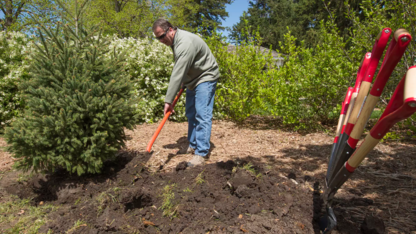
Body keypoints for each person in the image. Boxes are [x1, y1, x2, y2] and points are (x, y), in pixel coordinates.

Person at [152, 19, 220, 167]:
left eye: (161, 36)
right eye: (157, 38)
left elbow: (177, 72)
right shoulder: (174, 41)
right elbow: (183, 67)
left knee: (202, 113)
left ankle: (201, 153)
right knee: (190, 112)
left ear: (170, 29)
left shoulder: (184, 43)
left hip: (205, 76)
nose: (160, 40)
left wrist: (168, 101)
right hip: (192, 79)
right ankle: (193, 144)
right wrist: (185, 81)